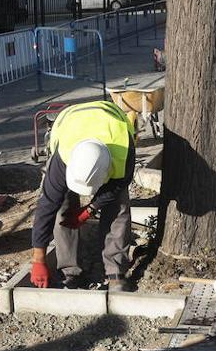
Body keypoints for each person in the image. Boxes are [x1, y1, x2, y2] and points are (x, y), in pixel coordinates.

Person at [29, 100, 137, 291]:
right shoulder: (62, 158)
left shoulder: (123, 149)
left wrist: (88, 211)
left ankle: (115, 272)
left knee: (118, 206)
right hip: (70, 123)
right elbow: (46, 207)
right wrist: (38, 259)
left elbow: (116, 187)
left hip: (109, 120)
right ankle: (70, 271)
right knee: (62, 205)